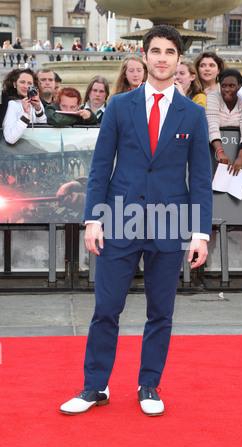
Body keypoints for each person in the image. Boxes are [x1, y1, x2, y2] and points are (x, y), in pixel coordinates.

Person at [60, 24, 213, 417]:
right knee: (106, 308)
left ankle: (149, 385)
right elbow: (99, 168)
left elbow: (199, 178)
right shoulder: (118, 106)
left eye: (170, 52)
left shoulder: (194, 115)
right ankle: (95, 386)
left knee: (160, 311)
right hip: (120, 220)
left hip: (170, 222)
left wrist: (201, 234)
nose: (162, 58)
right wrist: (93, 218)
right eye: (156, 51)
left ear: (180, 60)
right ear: (144, 56)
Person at [206, 68, 242, 175]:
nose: (227, 89)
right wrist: (220, 152)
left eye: (232, 86)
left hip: (240, 152)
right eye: (223, 86)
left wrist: (241, 157)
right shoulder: (213, 96)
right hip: (213, 154)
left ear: (240, 85)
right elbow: (212, 124)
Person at [2, 68, 47, 144]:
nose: (26, 86)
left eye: (29, 83)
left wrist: (38, 109)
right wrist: (26, 114)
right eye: (22, 82)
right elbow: (10, 138)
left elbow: (43, 129)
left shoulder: (37, 102)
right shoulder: (12, 104)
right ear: (14, 83)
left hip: (36, 147)